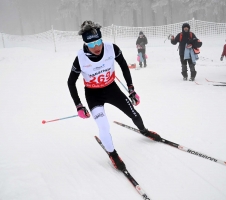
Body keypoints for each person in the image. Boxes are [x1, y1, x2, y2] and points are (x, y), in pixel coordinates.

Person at [67, 21, 161, 171]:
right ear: (85, 44)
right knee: (104, 127)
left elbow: (124, 66)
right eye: (92, 44)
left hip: (112, 89)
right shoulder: (80, 59)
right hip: (93, 95)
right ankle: (113, 154)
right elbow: (70, 82)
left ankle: (144, 131)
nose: (97, 47)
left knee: (134, 114)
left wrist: (131, 89)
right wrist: (78, 105)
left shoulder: (112, 49)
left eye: (98, 42)